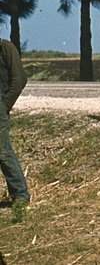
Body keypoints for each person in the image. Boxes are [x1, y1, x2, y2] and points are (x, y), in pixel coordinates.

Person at [1, 39, 29, 206]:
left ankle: (20, 196)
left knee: (2, 152)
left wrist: (5, 104)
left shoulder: (5, 48)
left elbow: (19, 80)